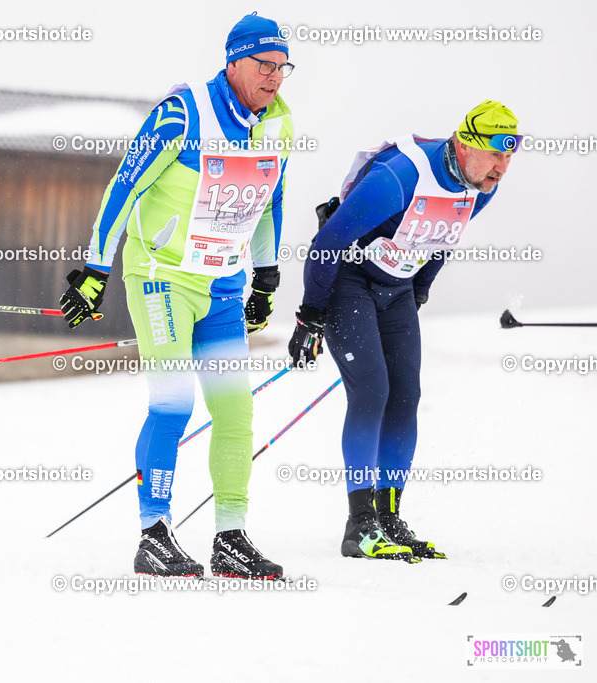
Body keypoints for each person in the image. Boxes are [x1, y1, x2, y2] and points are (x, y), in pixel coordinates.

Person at [59, 12, 293, 578]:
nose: (275, 78)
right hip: (162, 276)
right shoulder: (184, 112)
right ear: (235, 60)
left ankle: (230, 537)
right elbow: (125, 185)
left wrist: (265, 277)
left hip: (221, 283)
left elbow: (271, 201)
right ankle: (154, 532)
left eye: (284, 68)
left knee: (236, 410)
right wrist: (94, 268)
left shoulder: (278, 126)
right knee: (173, 402)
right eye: (265, 65)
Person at [287, 100, 520, 561]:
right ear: (465, 144)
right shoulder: (401, 176)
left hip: (397, 286)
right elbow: (329, 240)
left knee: (405, 395)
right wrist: (310, 315)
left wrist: (420, 292)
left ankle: (389, 516)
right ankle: (360, 525)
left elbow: (441, 237)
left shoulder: (482, 185)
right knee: (371, 390)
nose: (502, 169)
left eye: (509, 158)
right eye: (495, 155)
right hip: (349, 277)